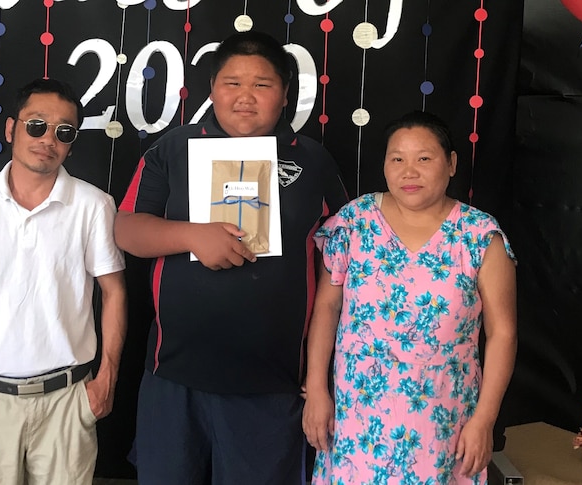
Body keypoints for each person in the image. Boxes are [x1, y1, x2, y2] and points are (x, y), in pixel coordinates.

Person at [114, 30, 348, 485]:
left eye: (262, 84)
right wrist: (192, 236)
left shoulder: (314, 162)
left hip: (273, 383)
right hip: (174, 375)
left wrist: (321, 377)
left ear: (285, 95)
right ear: (212, 90)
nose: (246, 96)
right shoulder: (174, 148)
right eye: (231, 83)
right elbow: (126, 229)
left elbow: (339, 259)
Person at [0, 78, 127, 485]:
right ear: (11, 129)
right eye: (36, 125)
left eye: (63, 132)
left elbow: (114, 292)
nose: (47, 139)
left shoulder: (94, 205)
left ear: (72, 142)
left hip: (67, 400)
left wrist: (107, 377)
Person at [302, 110, 517, 484]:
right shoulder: (355, 222)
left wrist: (484, 419)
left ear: (451, 164)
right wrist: (318, 388)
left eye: (424, 158)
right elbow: (327, 306)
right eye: (397, 159)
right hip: (358, 422)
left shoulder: (480, 235)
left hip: (444, 423)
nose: (409, 171)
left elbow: (503, 334)